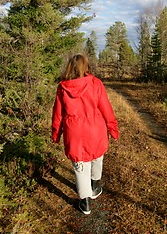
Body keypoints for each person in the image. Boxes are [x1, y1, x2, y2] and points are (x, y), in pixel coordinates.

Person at [51, 53, 119, 215]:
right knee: (97, 156)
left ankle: (85, 202)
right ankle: (95, 186)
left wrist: (56, 133)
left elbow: (58, 115)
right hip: (96, 129)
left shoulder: (63, 87)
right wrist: (113, 128)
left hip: (75, 132)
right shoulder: (96, 83)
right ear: (86, 66)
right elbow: (106, 108)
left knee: (80, 165)